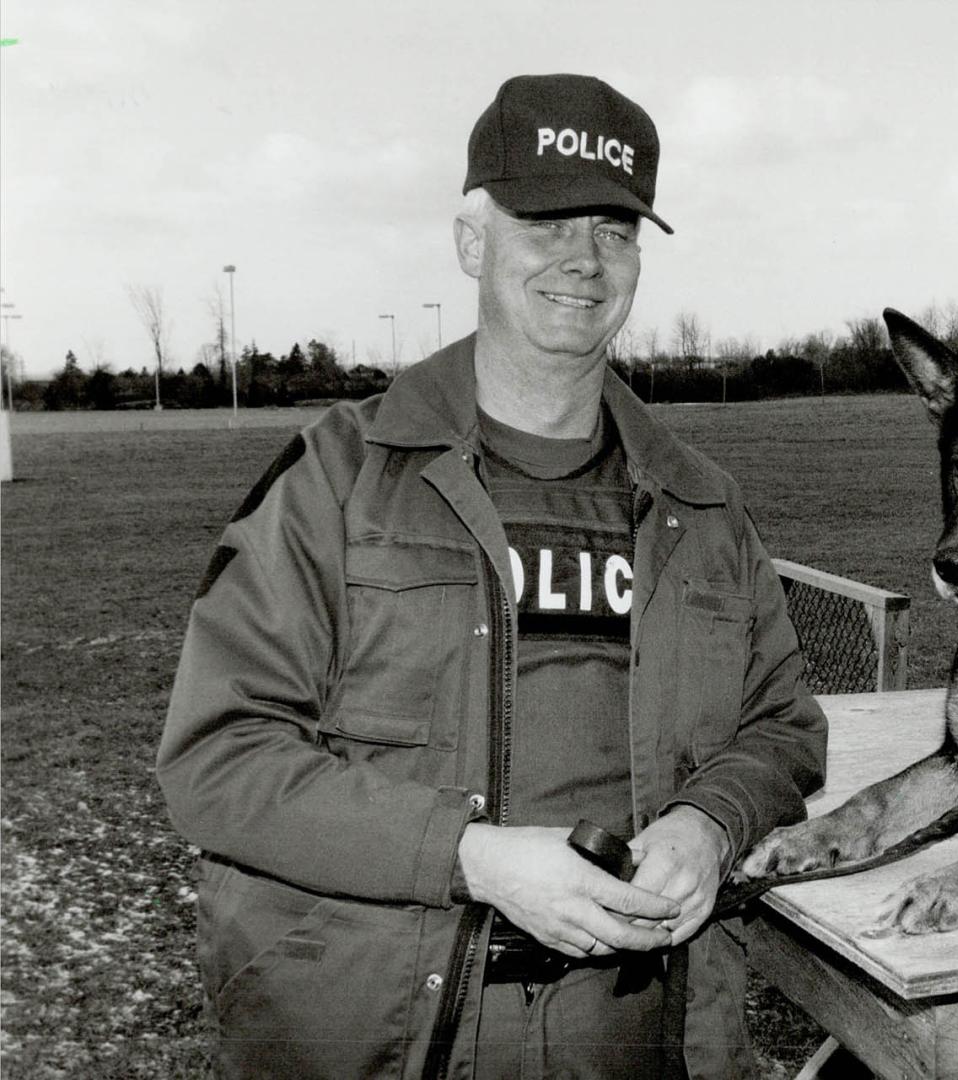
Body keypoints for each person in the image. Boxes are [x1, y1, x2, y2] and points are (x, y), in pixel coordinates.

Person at [157, 73, 827, 1079]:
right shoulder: (336, 480)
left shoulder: (701, 505)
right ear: (472, 240)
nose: (583, 259)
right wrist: (473, 858)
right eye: (545, 220)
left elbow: (781, 727)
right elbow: (218, 759)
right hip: (384, 1031)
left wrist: (707, 820)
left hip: (632, 1032)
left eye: (614, 227)